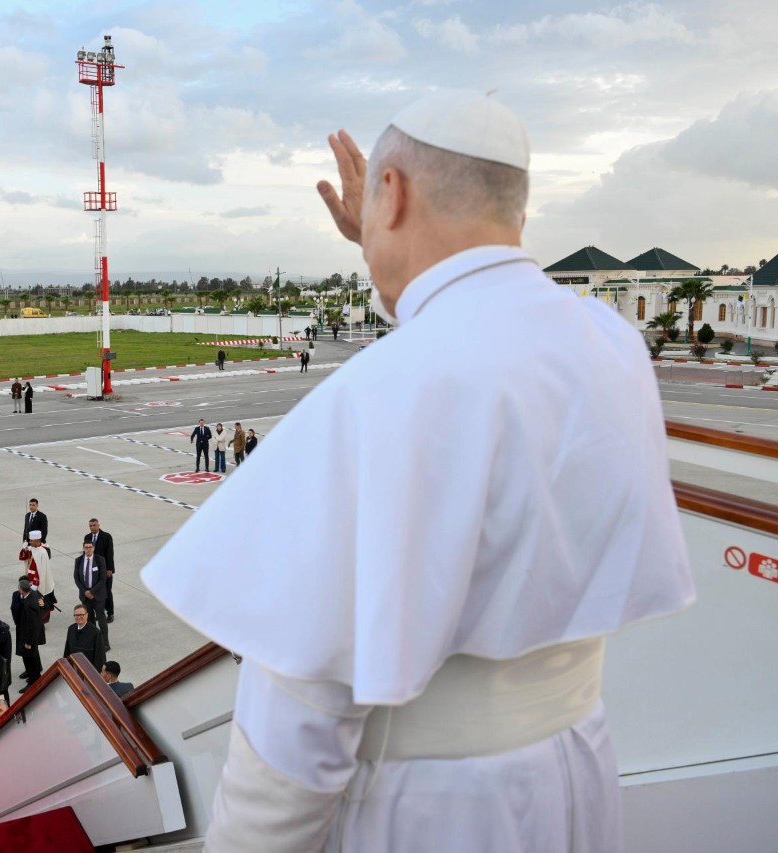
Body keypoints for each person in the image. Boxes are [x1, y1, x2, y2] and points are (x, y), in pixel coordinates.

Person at [141, 91, 695, 851]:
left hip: (435, 811)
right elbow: (472, 322)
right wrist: (383, 234)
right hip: (575, 778)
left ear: (392, 193)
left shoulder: (380, 394)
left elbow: (292, 741)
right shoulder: (610, 343)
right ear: (519, 217)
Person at [11, 576, 46, 691]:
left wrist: (28, 642)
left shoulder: (30, 604)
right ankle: (35, 678)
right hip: (25, 632)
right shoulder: (32, 596)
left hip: (29, 636)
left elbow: (32, 625)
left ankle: (33, 682)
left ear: (21, 589)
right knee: (32, 657)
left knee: (30, 658)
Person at [73, 537, 109, 651]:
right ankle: (93, 641)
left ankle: (105, 643)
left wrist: (92, 591)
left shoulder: (100, 560)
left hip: (98, 595)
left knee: (101, 618)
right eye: (86, 547)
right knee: (89, 620)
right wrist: (85, 591)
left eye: (90, 547)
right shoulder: (78, 560)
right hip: (85, 596)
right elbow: (77, 578)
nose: (88, 549)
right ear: (83, 548)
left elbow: (103, 579)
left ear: (93, 548)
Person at [18, 531, 55, 618]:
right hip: (29, 578)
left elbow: (42, 570)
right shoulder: (31, 549)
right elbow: (22, 557)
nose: (30, 542)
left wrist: (36, 583)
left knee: (39, 602)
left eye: (31, 540)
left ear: (37, 540)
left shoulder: (43, 552)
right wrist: (24, 549)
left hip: (37, 580)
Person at [86, 518, 116, 623]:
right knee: (96, 593)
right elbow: (87, 552)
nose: (92, 528)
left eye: (94, 525)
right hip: (93, 571)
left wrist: (110, 569)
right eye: (90, 526)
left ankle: (110, 613)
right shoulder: (87, 537)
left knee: (107, 592)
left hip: (105, 570)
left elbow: (110, 553)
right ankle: (99, 612)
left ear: (99, 525)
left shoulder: (106, 536)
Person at [63, 604, 106, 672]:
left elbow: (99, 656)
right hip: (74, 668)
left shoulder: (96, 633)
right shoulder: (71, 629)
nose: (79, 617)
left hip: (88, 670)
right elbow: (67, 649)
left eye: (81, 615)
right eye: (76, 615)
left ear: (87, 615)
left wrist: (96, 674)